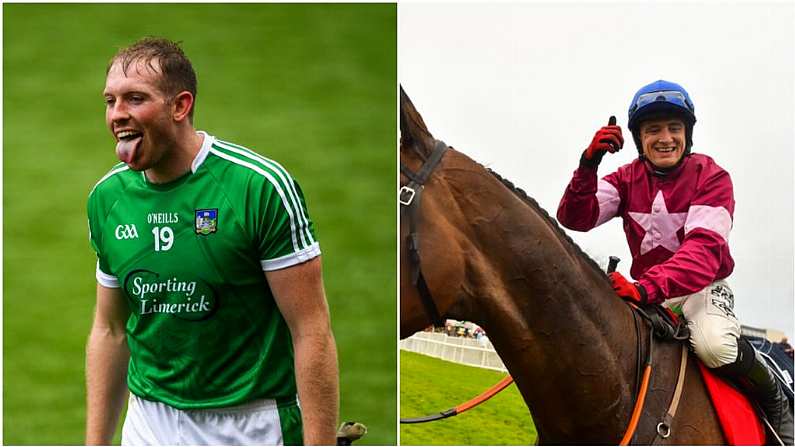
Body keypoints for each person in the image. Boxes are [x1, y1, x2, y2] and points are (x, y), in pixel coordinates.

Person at [85, 37, 338, 445]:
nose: (118, 115)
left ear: (180, 106)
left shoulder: (258, 188)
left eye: (135, 99)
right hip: (150, 420)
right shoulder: (107, 199)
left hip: (252, 423)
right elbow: (110, 329)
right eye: (110, 101)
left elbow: (310, 328)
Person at [556, 79, 793, 443]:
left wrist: (645, 288)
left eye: (674, 128)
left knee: (714, 344)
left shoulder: (712, 177)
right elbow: (576, 217)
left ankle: (775, 396)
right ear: (639, 140)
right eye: (653, 130)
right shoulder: (624, 180)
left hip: (699, 289)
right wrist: (588, 165)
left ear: (687, 134)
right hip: (646, 293)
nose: (665, 138)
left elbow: (702, 253)